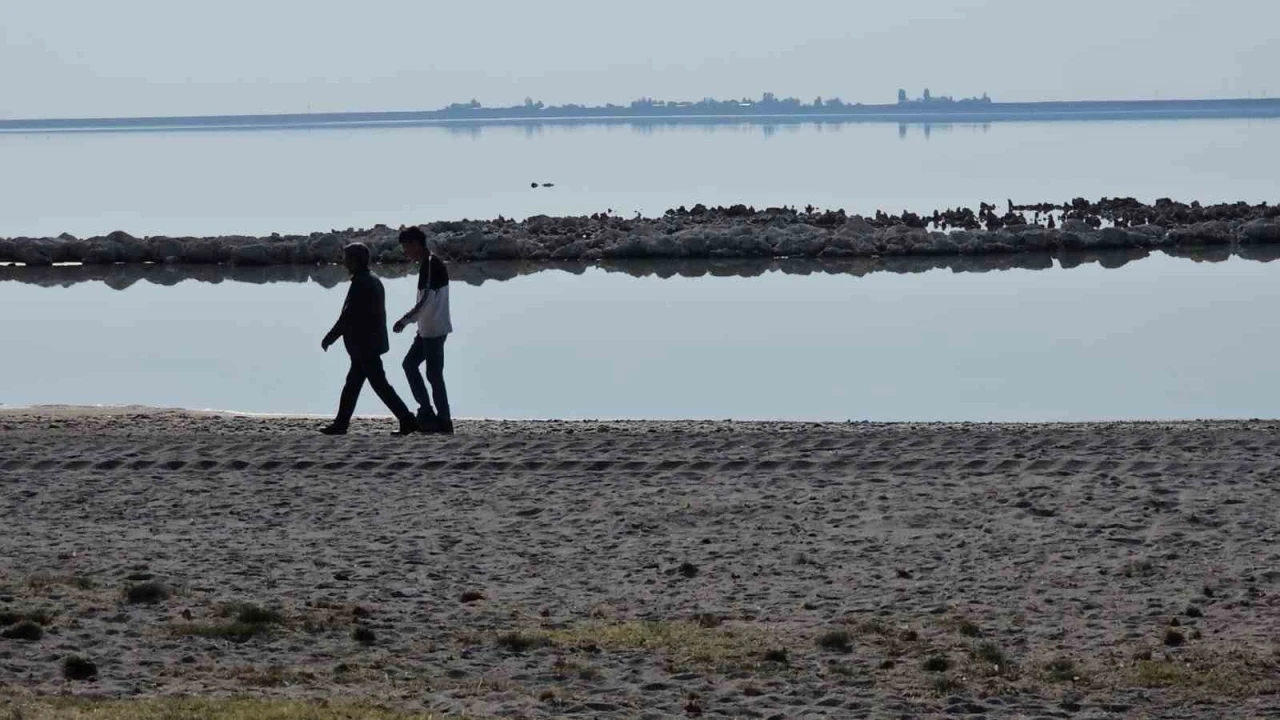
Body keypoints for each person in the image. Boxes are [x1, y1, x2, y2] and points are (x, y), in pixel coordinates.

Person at [320, 243, 419, 436]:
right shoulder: (370, 280)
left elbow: (348, 317)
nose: (344, 262)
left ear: (356, 261)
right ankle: (341, 424)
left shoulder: (362, 283)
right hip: (367, 346)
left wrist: (330, 337)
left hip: (365, 346)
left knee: (378, 386)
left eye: (347, 258)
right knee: (354, 386)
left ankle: (407, 419)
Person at [393, 227, 453, 434]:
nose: (405, 252)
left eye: (406, 247)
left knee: (433, 375)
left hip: (433, 329)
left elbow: (426, 300)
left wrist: (405, 320)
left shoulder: (429, 264)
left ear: (415, 244)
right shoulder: (429, 263)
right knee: (412, 366)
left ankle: (441, 420)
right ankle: (429, 413)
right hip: (428, 328)